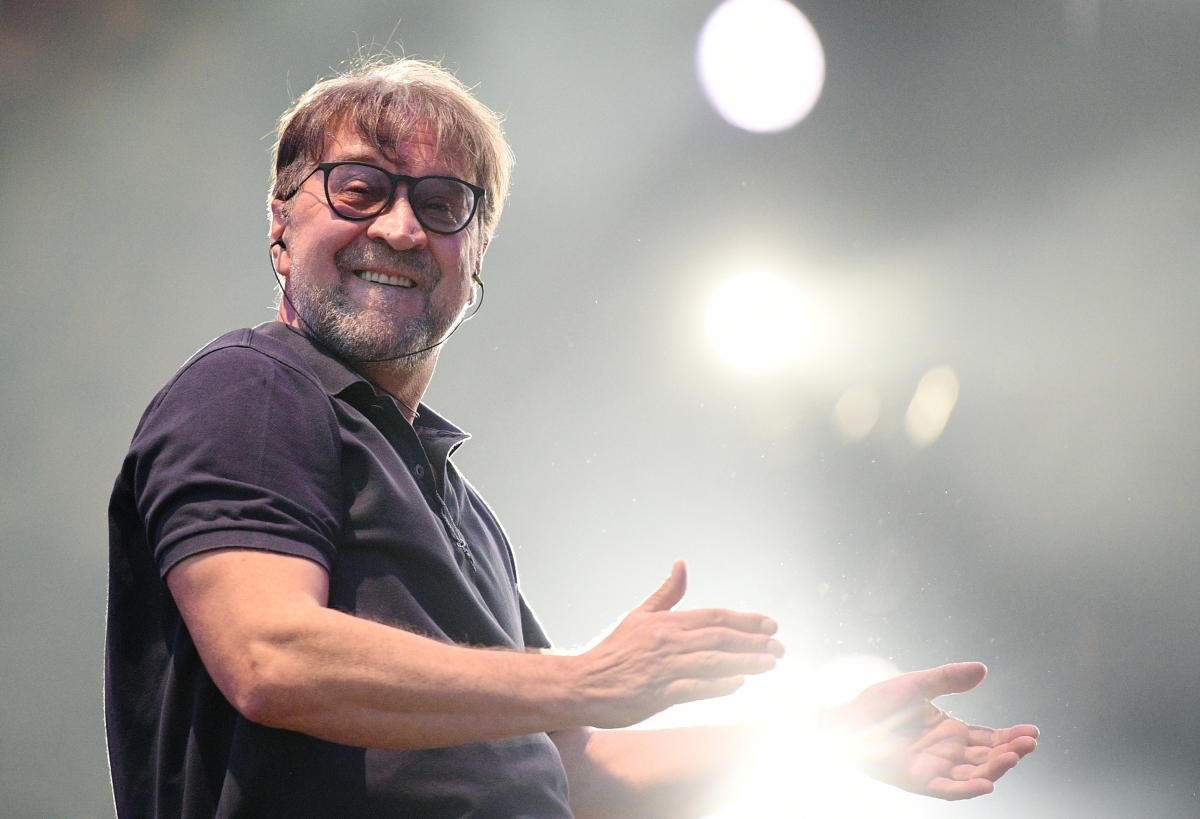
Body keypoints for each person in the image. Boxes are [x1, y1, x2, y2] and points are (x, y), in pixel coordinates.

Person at [105, 57, 1038, 819]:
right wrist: (586, 676)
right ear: (280, 223)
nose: (399, 226)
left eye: (443, 204)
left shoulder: (461, 510)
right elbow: (270, 656)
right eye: (359, 190)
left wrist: (825, 736)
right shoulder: (256, 388)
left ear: (476, 258)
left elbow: (571, 773)